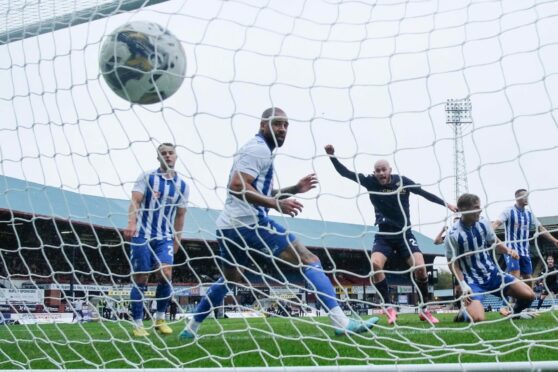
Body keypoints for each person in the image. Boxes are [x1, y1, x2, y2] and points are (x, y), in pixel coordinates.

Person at [179, 108, 379, 340]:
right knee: (309, 260)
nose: (282, 129)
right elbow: (237, 186)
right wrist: (275, 204)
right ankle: (340, 321)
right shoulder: (258, 149)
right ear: (263, 125)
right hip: (251, 223)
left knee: (229, 279)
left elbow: (254, 189)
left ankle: (190, 327)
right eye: (277, 124)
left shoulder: (256, 149)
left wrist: (293, 189)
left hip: (228, 227)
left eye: (286, 125)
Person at [324, 144, 457, 324]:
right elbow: (345, 173)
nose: (381, 173)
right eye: (377, 171)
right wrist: (332, 157)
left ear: (389, 170)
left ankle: (424, 309)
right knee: (375, 264)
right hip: (384, 234)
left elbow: (424, 193)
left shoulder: (402, 181)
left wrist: (446, 204)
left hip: (404, 234)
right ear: (374, 172)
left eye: (383, 170)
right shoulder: (369, 182)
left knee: (420, 269)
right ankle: (388, 307)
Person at [124, 143, 189, 337]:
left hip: (164, 237)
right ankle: (137, 324)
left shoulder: (183, 186)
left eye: (171, 153)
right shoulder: (147, 177)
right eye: (163, 154)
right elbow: (135, 200)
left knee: (166, 273)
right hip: (142, 235)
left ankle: (160, 319)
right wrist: (131, 223)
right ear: (158, 158)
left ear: (176, 156)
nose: (168, 156)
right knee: (141, 278)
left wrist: (178, 238)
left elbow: (180, 215)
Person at [445, 193, 535, 322]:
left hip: (493, 274)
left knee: (529, 295)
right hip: (472, 281)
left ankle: (514, 314)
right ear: (464, 210)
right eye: (476, 207)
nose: (480, 210)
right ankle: (463, 313)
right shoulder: (453, 234)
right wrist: (463, 284)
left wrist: (508, 250)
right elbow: (452, 262)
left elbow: (494, 241)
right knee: (478, 318)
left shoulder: (483, 222)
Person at [492, 189, 558, 285]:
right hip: (511, 250)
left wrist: (554, 240)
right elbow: (496, 224)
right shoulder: (509, 211)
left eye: (527, 196)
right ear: (517, 198)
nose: (527, 198)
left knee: (528, 279)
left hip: (525, 252)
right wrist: (489, 233)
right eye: (524, 196)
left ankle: (526, 300)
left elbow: (540, 228)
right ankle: (512, 299)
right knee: (515, 277)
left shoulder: (529, 214)